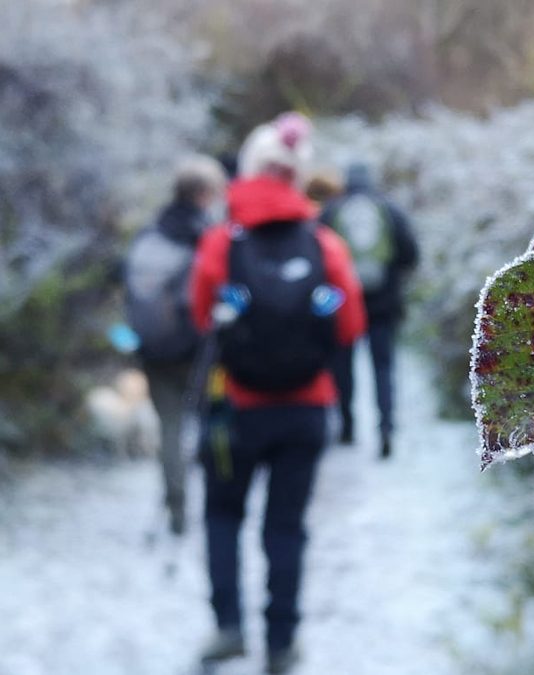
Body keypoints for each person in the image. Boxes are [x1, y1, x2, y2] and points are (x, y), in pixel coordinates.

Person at [190, 112, 366, 674]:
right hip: (306, 407)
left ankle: (228, 627)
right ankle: (283, 643)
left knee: (222, 517)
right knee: (286, 527)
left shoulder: (223, 242)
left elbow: (200, 316)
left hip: (234, 409)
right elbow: (349, 325)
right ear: (298, 175)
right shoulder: (324, 242)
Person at [124, 154, 227, 535]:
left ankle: (176, 505)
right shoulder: (207, 235)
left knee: (169, 427)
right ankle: (216, 504)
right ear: (203, 192)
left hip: (152, 348)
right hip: (198, 348)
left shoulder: (150, 234)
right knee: (209, 424)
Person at [320, 163, 419, 458]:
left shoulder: (331, 211)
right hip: (384, 304)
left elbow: (318, 255)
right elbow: (410, 253)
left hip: (343, 305)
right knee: (383, 368)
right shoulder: (389, 210)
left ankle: (348, 425)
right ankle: (386, 428)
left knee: (342, 366)